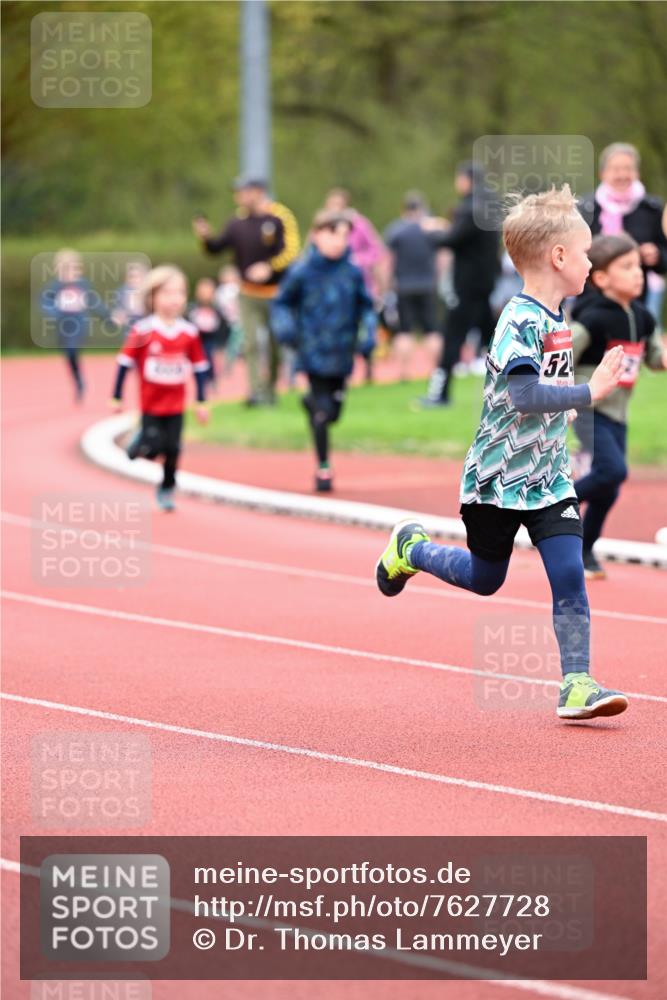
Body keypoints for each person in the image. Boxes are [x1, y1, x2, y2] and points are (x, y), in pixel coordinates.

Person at [376, 185, 629, 721]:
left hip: (549, 480)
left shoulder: (560, 316)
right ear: (559, 258)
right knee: (486, 580)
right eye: (584, 252)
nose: (589, 262)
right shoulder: (519, 320)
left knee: (568, 574)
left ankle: (577, 684)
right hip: (496, 481)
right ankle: (411, 548)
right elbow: (523, 395)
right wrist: (590, 392)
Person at [571, 234, 667, 579]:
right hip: (588, 406)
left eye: (639, 266)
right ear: (601, 278)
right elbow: (563, 354)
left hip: (618, 413)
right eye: (626, 267)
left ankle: (584, 548)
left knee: (608, 489)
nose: (638, 274)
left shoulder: (643, 317)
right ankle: (552, 507)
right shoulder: (591, 317)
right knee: (612, 472)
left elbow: (656, 358)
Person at [271, 210, 376, 493]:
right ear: (317, 234)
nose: (338, 241)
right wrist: (285, 328)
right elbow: (281, 303)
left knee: (334, 413)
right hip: (312, 350)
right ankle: (324, 467)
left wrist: (369, 331)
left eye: (344, 235)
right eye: (332, 233)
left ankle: (311, 405)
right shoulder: (302, 271)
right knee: (322, 411)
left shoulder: (352, 272)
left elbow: (366, 306)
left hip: (341, 353)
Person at [193, 177, 300, 405]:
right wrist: (205, 237)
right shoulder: (236, 223)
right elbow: (215, 249)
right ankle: (255, 392)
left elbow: (292, 251)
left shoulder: (280, 216)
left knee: (273, 345)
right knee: (250, 343)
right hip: (248, 293)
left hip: (276, 294)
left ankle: (270, 389)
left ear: (258, 191)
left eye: (243, 191)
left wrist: (269, 267)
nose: (238, 196)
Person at [110, 265, 210, 511]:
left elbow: (199, 368)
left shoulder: (189, 332)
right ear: (152, 298)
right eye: (167, 293)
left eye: (179, 293)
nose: (174, 299)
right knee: (154, 447)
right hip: (151, 404)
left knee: (174, 449)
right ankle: (140, 442)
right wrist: (116, 397)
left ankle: (167, 487)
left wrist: (201, 401)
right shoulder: (143, 331)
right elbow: (124, 363)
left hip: (176, 404)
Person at [420, 163, 499, 406]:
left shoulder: (469, 207)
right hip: (486, 282)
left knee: (453, 337)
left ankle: (439, 393)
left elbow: (451, 239)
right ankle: (519, 388)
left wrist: (432, 231)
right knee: (495, 339)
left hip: (466, 285)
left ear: (465, 180)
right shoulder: (491, 205)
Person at [579, 143, 667, 318]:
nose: (622, 175)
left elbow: (665, 256)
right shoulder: (586, 209)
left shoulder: (652, 209)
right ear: (602, 174)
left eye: (628, 169)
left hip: (638, 303)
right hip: (590, 300)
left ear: (637, 173)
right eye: (615, 169)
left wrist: (657, 256)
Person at [383, 191, 443, 380]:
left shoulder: (396, 231)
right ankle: (436, 370)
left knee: (404, 331)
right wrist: (437, 278)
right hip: (427, 285)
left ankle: (403, 372)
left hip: (403, 286)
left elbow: (388, 261)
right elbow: (442, 258)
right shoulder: (430, 229)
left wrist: (386, 285)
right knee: (431, 330)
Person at [40, 248, 111, 401]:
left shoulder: (83, 285)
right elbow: (45, 303)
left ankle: (79, 382)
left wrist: (108, 319)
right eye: (64, 268)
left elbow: (94, 303)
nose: (69, 272)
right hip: (63, 327)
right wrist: (55, 312)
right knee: (70, 356)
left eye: (73, 268)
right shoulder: (55, 286)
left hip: (79, 325)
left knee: (72, 350)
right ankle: (78, 381)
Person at [187, 277, 230, 390]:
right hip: (197, 339)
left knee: (208, 357)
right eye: (203, 292)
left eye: (208, 292)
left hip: (211, 339)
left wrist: (221, 343)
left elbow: (223, 326)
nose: (205, 294)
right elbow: (189, 323)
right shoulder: (193, 308)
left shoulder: (217, 309)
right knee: (198, 360)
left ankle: (211, 378)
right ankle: (202, 379)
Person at [111, 259, 149, 337]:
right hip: (129, 329)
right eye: (131, 277)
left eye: (138, 277)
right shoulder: (122, 292)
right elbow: (118, 310)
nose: (135, 280)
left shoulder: (150, 293)